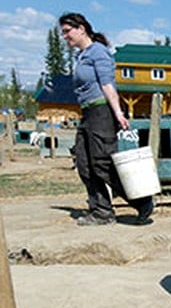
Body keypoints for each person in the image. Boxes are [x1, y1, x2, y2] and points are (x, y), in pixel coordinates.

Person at [59, 12, 153, 226]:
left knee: (102, 162)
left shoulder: (98, 52)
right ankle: (101, 211)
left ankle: (141, 201)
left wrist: (118, 113)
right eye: (63, 33)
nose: (65, 37)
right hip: (88, 112)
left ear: (81, 28)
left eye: (67, 31)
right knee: (84, 163)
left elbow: (108, 84)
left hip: (103, 111)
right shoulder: (81, 56)